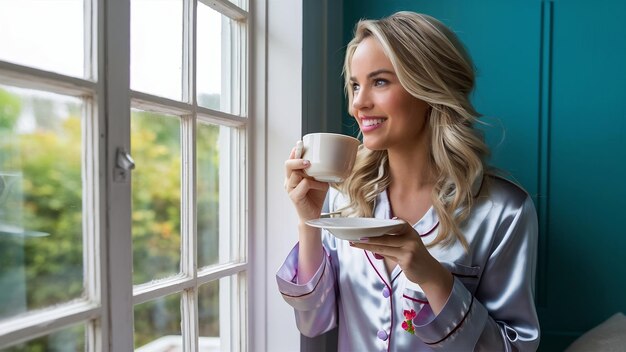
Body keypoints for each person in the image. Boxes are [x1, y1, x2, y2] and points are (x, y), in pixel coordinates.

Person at [277, 11, 540, 351]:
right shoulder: (344, 197)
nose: (358, 103)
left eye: (380, 82)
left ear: (429, 88)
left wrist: (434, 277)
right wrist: (308, 221)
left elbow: (515, 348)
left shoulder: (503, 211)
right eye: (355, 85)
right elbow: (314, 321)